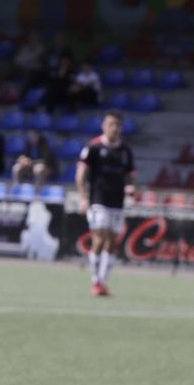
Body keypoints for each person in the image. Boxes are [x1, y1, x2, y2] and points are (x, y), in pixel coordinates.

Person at [77, 111, 136, 298]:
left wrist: (132, 187)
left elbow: (131, 175)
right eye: (110, 124)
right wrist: (84, 197)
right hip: (98, 200)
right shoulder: (93, 147)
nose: (114, 128)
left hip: (117, 202)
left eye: (117, 125)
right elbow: (81, 174)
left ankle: (102, 282)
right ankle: (96, 281)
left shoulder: (125, 151)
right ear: (103, 125)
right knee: (99, 238)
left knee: (112, 243)